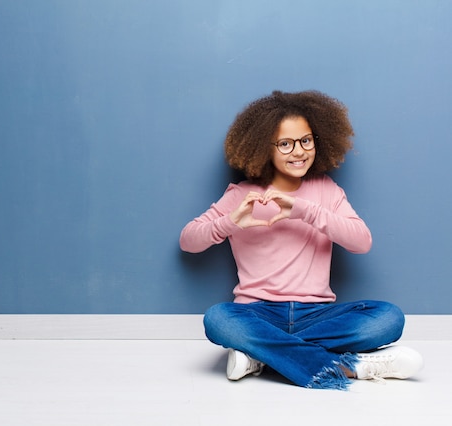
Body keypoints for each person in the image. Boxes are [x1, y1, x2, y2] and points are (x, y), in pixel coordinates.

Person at [179, 90, 423, 390]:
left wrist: (302, 210)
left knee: (389, 318)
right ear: (262, 147)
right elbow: (188, 241)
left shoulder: (326, 190)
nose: (299, 151)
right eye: (285, 144)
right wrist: (230, 222)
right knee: (218, 319)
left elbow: (361, 242)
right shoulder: (241, 195)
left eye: (306, 140)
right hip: (258, 312)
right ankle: (353, 367)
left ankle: (260, 357)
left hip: (318, 314)